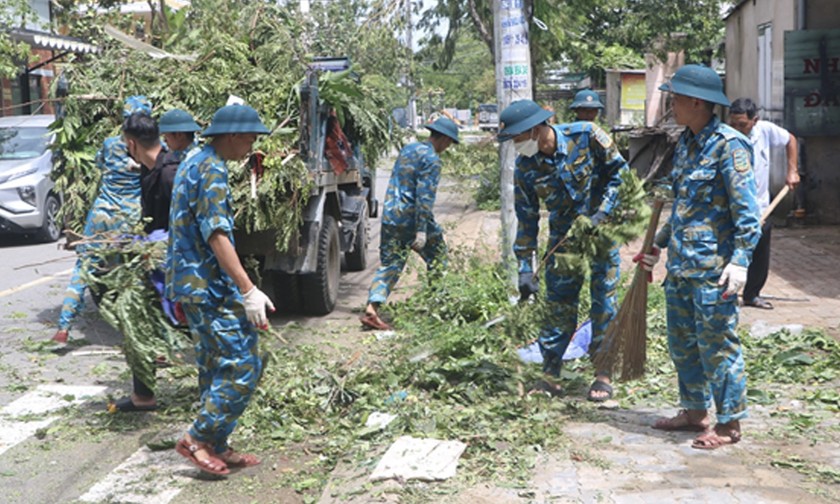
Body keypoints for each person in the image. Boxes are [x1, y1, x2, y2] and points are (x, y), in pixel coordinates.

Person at [638, 64, 761, 450]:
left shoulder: (729, 145)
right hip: (682, 268)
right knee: (683, 343)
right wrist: (657, 244)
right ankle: (694, 411)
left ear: (697, 101)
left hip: (713, 272)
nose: (672, 104)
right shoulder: (687, 143)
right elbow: (684, 208)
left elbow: (748, 216)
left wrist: (740, 261)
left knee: (717, 346)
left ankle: (728, 423)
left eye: (676, 98)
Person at [167, 104, 274, 475]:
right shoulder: (211, 168)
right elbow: (216, 235)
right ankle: (197, 438)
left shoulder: (193, 159)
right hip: (207, 286)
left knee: (214, 366)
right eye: (250, 137)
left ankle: (217, 442)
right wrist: (247, 289)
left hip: (193, 284)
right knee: (244, 364)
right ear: (231, 135)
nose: (252, 145)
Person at [497, 99, 628, 401]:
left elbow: (620, 175)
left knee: (604, 304)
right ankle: (551, 375)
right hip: (564, 241)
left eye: (517, 138)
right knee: (558, 306)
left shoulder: (586, 135)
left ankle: (603, 374)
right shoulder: (525, 168)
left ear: (534, 129)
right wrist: (525, 270)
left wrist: (602, 213)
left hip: (601, 234)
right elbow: (526, 221)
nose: (515, 145)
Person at [53, 96, 152, 344]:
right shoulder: (148, 148)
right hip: (129, 218)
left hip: (102, 213)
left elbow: (99, 164)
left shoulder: (109, 144)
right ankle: (137, 332)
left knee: (83, 268)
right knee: (135, 273)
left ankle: (63, 328)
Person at [360, 118, 460, 331]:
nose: (447, 147)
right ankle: (437, 306)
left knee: (391, 264)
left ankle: (371, 308)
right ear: (443, 138)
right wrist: (422, 231)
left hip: (390, 215)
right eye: (449, 142)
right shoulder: (432, 160)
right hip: (411, 219)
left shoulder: (409, 149)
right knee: (438, 256)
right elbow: (424, 197)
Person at [728, 97, 800, 310]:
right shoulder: (726, 137)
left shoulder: (765, 131)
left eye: (742, 124)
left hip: (760, 206)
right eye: (734, 124)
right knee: (731, 249)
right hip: (732, 206)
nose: (737, 129)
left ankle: (751, 295)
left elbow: (791, 140)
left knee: (760, 252)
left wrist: (792, 170)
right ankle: (726, 293)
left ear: (755, 120)